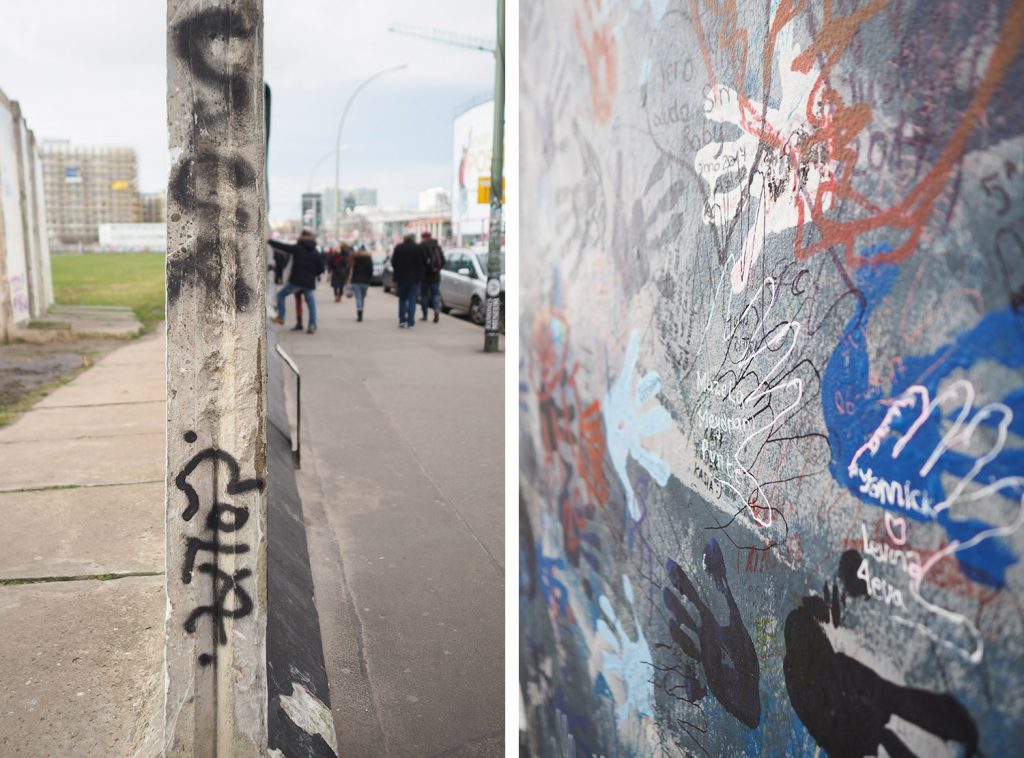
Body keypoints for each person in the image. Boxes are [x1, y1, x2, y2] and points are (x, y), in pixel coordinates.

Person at [269, 230, 324, 334]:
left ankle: (281, 317)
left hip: (296, 280)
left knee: (281, 295)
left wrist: (270, 241)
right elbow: (321, 269)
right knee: (311, 304)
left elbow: (283, 246)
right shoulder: (315, 251)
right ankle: (312, 325)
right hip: (309, 282)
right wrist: (312, 274)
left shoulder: (298, 247)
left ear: (301, 237)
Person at [390, 233, 425, 329]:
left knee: (402, 300)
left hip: (401, 278)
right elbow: (423, 262)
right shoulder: (418, 248)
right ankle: (410, 322)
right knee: (412, 300)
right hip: (414, 279)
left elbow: (393, 262)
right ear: (413, 238)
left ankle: (402, 320)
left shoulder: (399, 248)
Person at [419, 231, 446, 323]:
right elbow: (443, 261)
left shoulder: (421, 247)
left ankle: (425, 315)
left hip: (424, 277)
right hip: (435, 276)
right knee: (435, 295)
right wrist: (436, 269)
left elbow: (419, 262)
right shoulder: (437, 246)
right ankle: (436, 310)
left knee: (424, 295)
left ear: (423, 238)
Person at [347, 243, 374, 322]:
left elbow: (350, 268)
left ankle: (359, 314)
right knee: (362, 297)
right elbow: (371, 270)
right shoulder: (368, 259)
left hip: (355, 281)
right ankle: (361, 312)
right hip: (365, 281)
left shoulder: (354, 258)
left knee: (358, 297)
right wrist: (370, 279)